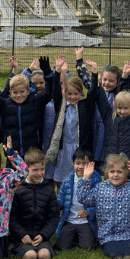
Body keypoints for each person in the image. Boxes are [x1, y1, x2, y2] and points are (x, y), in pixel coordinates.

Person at [76, 152, 130, 259]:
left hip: (128, 234)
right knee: (112, 250)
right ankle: (117, 255)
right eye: (112, 171)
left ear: (126, 173)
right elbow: (83, 198)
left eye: (119, 172)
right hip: (108, 236)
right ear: (107, 173)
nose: (115, 175)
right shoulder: (100, 188)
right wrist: (85, 178)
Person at [46, 54, 99, 184]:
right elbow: (55, 92)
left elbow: (92, 92)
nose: (73, 97)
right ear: (65, 93)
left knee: (80, 180)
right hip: (64, 149)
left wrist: (95, 72)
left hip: (79, 148)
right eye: (70, 94)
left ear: (81, 93)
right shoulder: (62, 105)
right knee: (62, 181)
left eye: (76, 94)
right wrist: (57, 70)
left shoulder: (85, 105)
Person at [10, 147, 60, 259]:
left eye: (42, 169)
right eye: (35, 170)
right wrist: (22, 234)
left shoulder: (49, 190)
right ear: (26, 169)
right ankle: (15, 248)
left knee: (44, 256)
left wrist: (43, 235)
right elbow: (12, 218)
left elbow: (53, 217)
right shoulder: (18, 190)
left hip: (41, 236)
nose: (39, 173)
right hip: (22, 237)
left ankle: (42, 246)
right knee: (30, 256)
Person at [55, 149, 100, 251]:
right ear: (72, 163)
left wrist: (88, 212)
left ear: (91, 165)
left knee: (88, 247)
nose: (80, 167)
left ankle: (82, 237)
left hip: (85, 221)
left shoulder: (95, 181)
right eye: (77, 163)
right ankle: (73, 236)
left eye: (84, 164)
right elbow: (60, 201)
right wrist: (53, 205)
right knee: (61, 246)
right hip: (70, 220)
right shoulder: (67, 180)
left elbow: (99, 205)